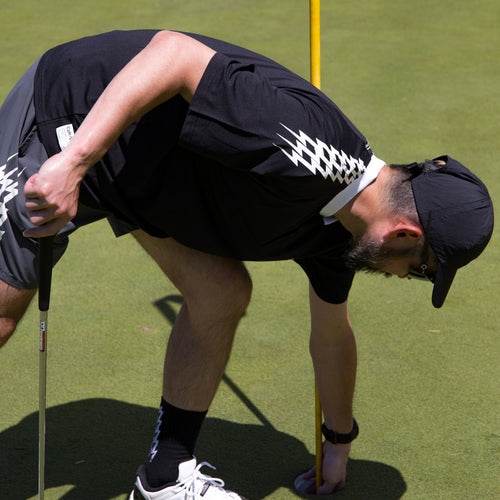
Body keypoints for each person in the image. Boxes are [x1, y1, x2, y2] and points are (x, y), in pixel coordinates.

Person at [0, 29, 493, 499]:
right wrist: (75, 162)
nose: (406, 277)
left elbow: (332, 335)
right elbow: (174, 53)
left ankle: (165, 474)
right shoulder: (313, 153)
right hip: (69, 119)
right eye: (422, 269)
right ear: (405, 234)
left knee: (221, 292)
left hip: (135, 177)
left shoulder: (339, 235)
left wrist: (338, 440)